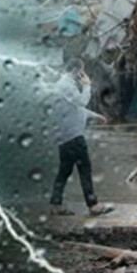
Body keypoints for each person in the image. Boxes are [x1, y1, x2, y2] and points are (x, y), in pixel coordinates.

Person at [48, 61, 114, 216]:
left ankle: (55, 204)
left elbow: (75, 108)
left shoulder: (63, 85)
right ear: (77, 71)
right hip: (73, 137)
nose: (83, 76)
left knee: (64, 171)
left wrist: (95, 115)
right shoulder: (67, 85)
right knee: (85, 170)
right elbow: (81, 101)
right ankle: (93, 206)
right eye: (82, 72)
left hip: (65, 137)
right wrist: (87, 85)